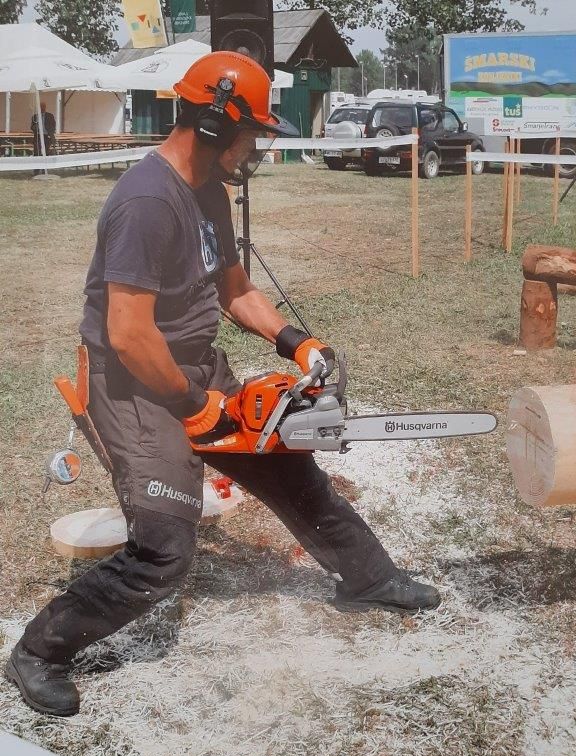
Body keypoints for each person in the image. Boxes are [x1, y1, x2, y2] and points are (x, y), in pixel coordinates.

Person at [6, 52, 441, 717]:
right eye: (254, 132)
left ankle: (369, 578)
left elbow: (234, 290)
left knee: (291, 470)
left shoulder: (208, 191)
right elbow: (129, 333)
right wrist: (193, 406)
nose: (257, 146)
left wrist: (297, 342)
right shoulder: (146, 202)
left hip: (194, 367)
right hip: (131, 388)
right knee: (163, 549)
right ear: (215, 124)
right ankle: (39, 652)